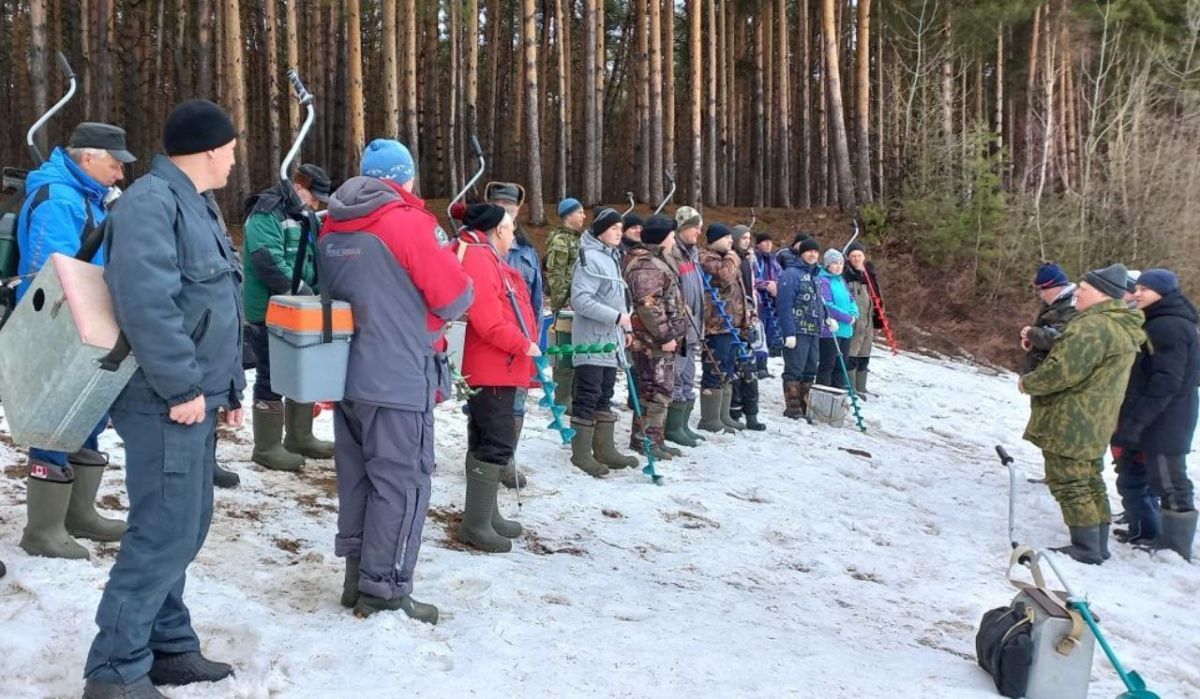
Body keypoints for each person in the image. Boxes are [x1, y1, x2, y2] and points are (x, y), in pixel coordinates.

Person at [83, 100, 244, 698]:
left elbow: (212, 303)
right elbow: (146, 303)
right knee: (163, 531)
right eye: (229, 147)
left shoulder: (196, 204)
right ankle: (114, 672)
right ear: (207, 148)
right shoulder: (151, 203)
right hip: (162, 399)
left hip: (195, 398)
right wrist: (181, 386)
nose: (233, 157)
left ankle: (168, 645)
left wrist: (227, 389)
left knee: (187, 523)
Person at [320, 139, 473, 621]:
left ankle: (356, 578)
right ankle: (383, 589)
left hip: (345, 372)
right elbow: (453, 298)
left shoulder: (332, 222)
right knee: (402, 483)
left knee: (359, 478)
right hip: (399, 374)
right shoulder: (407, 223)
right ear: (405, 178)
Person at [16, 122, 134, 560]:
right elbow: (51, 274)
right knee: (56, 421)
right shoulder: (57, 200)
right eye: (114, 164)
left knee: (88, 414)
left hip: (93, 326)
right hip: (63, 330)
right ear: (87, 158)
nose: (120, 174)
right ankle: (43, 530)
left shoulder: (91, 198)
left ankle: (79, 512)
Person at [1019, 263, 1145, 565]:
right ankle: (1097, 543)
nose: (1077, 294)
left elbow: (1062, 370)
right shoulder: (1119, 325)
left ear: (1102, 294)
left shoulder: (1092, 327)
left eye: (1084, 290)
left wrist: (1028, 382)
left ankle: (1086, 546)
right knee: (1089, 478)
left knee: (1069, 480)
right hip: (1096, 417)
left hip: (1073, 417)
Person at [241, 163, 336, 479]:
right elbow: (267, 262)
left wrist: (321, 294)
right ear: (299, 188)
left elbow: (315, 258)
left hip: (303, 310)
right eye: (314, 196)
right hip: (269, 311)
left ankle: (299, 435)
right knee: (271, 375)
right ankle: (266, 446)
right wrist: (305, 294)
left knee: (303, 371)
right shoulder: (266, 213)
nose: (317, 204)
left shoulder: (304, 216)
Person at [451, 204, 535, 553]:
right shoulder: (480, 260)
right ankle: (476, 524)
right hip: (493, 366)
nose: (514, 235)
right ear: (498, 230)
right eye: (511, 228)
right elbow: (487, 319)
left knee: (486, 439)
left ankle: (485, 514)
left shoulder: (481, 255)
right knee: (496, 442)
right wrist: (523, 343)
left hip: (499, 364)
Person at [1111, 268, 1198, 561]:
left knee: (1170, 480)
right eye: (1137, 289)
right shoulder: (1157, 320)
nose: (1136, 294)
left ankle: (1176, 545)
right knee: (1145, 474)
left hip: (1167, 417)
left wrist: (1138, 419)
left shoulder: (1169, 326)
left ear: (1163, 293)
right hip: (1154, 413)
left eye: (1144, 290)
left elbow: (1167, 381)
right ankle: (1151, 531)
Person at [568, 208, 639, 476]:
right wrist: (616, 318)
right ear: (600, 231)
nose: (619, 233)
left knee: (605, 393)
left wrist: (626, 328)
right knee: (588, 394)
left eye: (621, 228)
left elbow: (619, 300)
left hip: (612, 340)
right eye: (613, 228)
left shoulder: (612, 258)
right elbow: (582, 300)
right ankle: (581, 453)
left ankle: (604, 448)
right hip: (591, 342)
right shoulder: (590, 259)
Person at [489, 182, 542, 490]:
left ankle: (507, 460)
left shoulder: (527, 250)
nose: (505, 210)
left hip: (521, 342)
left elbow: (536, 298)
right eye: (498, 204)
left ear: (518, 211)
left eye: (510, 206)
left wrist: (535, 339)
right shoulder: (477, 245)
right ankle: (482, 458)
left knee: (516, 405)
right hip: (489, 338)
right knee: (485, 404)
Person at [624, 215, 689, 459]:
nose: (674, 240)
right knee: (655, 390)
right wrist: (666, 336)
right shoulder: (647, 265)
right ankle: (645, 441)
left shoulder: (656, 260)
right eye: (672, 236)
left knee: (657, 389)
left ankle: (654, 438)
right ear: (663, 237)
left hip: (658, 340)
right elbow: (648, 305)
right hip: (652, 342)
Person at [664, 206, 707, 450]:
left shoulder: (693, 254)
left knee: (689, 376)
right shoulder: (674, 253)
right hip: (680, 325)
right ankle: (672, 427)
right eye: (695, 228)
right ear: (683, 228)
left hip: (694, 326)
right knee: (677, 376)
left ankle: (682, 424)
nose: (698, 233)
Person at [545, 197, 587, 408]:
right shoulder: (561, 241)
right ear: (569, 215)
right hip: (566, 305)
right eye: (579, 212)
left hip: (578, 304)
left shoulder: (578, 239)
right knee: (563, 352)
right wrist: (561, 304)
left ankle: (574, 395)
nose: (583, 216)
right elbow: (557, 274)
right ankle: (563, 399)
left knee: (576, 351)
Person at [776, 235, 824, 421]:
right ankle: (793, 407)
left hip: (814, 330)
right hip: (797, 330)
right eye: (809, 251)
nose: (812, 255)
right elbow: (784, 304)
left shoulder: (815, 275)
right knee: (795, 368)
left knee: (811, 368)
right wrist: (788, 332)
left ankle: (804, 406)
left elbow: (819, 302)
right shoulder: (791, 274)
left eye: (815, 251)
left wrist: (826, 318)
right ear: (801, 253)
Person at [727, 225, 766, 431]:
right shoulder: (731, 260)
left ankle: (752, 412)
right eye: (743, 237)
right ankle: (734, 410)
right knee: (735, 367)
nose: (747, 241)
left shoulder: (750, 260)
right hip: (734, 319)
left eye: (749, 238)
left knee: (750, 367)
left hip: (750, 317)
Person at [1020, 262, 1078, 375]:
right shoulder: (1053, 302)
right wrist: (1030, 340)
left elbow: (1057, 339)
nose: (1041, 295)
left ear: (1056, 287)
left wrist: (1031, 333)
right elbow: (1042, 328)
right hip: (1039, 372)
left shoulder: (1073, 307)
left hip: (1055, 376)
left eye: (1043, 290)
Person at [842, 242, 883, 396]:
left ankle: (861, 386)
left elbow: (878, 299)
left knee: (864, 355)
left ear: (864, 257)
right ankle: (850, 387)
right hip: (854, 322)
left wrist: (878, 322)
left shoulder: (870, 276)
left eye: (859, 255)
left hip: (868, 322)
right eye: (853, 256)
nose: (856, 258)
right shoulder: (846, 275)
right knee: (852, 354)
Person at [816, 249, 859, 388]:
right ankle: (823, 395)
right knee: (828, 364)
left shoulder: (841, 280)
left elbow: (851, 300)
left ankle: (837, 393)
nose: (838, 266)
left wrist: (854, 314)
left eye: (841, 263)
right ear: (828, 265)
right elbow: (827, 304)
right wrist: (847, 317)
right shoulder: (823, 280)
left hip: (845, 330)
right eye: (835, 263)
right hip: (831, 330)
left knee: (841, 365)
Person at [754, 232, 783, 378]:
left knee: (768, 335)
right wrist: (766, 285)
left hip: (772, 303)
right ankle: (757, 366)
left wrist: (778, 286)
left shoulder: (774, 260)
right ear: (758, 244)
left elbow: (781, 276)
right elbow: (752, 279)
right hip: (759, 302)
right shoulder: (754, 259)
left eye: (770, 242)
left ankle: (764, 366)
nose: (768, 244)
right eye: (765, 241)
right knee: (758, 334)